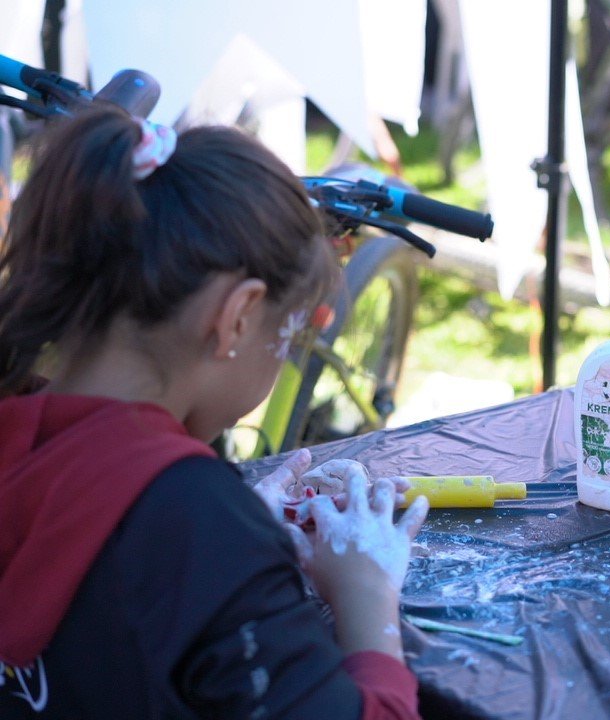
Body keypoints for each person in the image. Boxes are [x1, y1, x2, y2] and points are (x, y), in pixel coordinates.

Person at [0, 106, 430, 718]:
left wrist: (228, 541)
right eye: (292, 336)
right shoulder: (198, 525)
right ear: (236, 318)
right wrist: (368, 592)